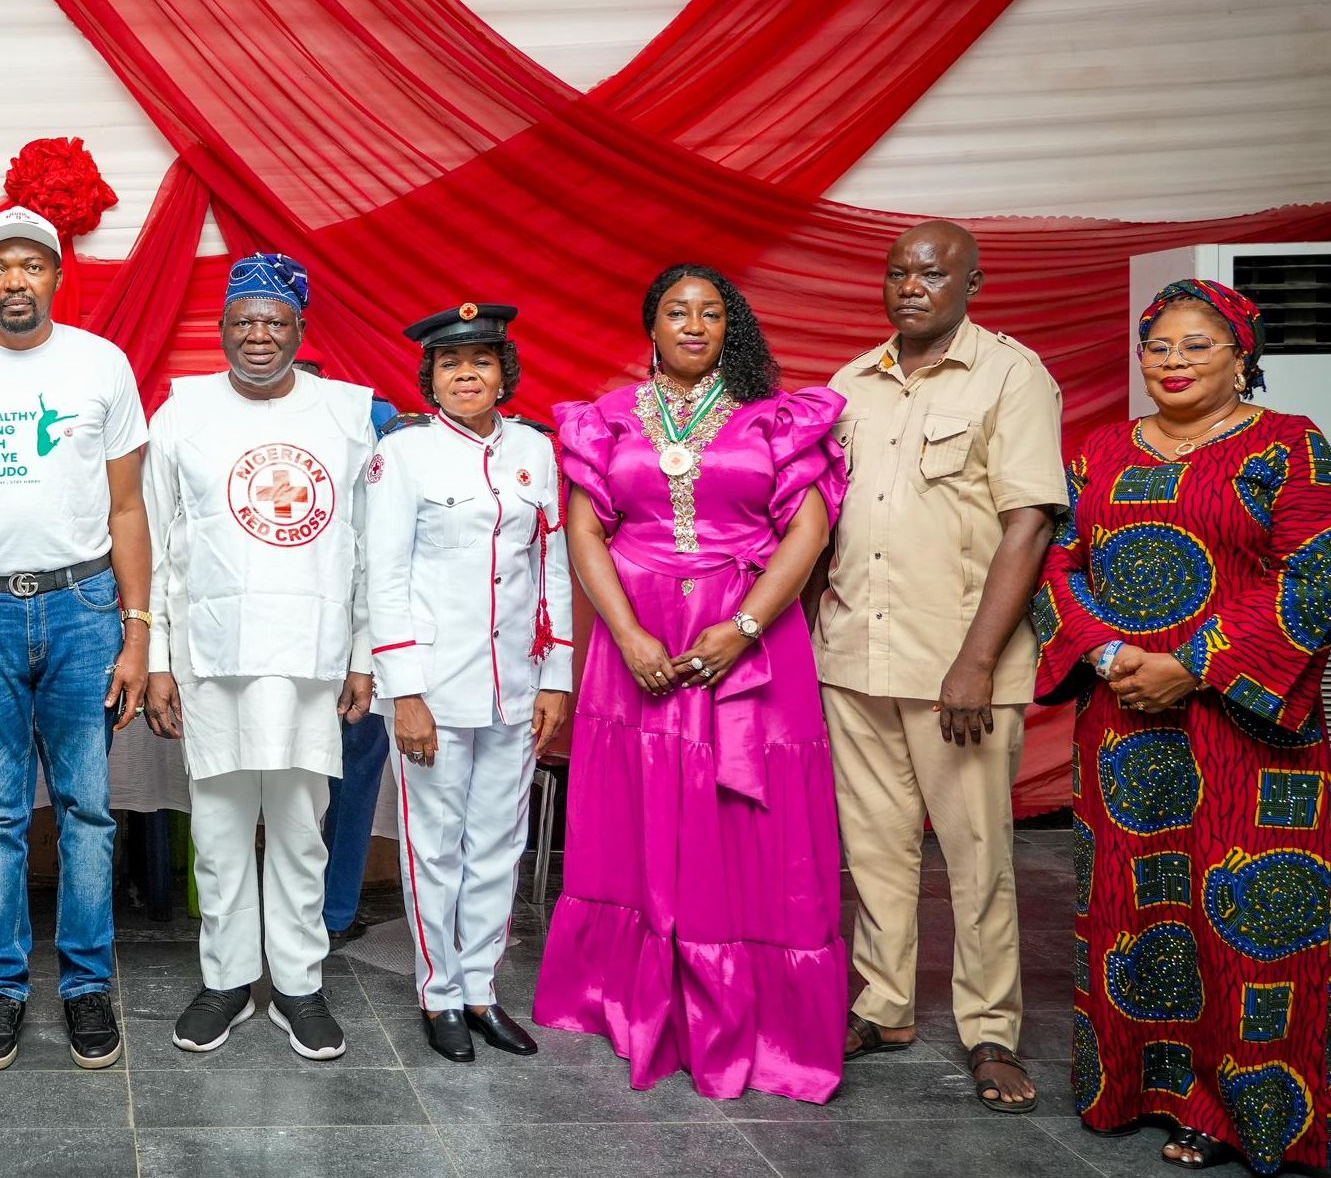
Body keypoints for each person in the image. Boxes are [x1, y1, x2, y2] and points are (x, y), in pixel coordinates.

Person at [531, 263, 847, 1102]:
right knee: (637, 809)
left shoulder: (773, 416)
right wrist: (627, 634)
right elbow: (584, 528)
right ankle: (634, 1002)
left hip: (750, 639)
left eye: (711, 312)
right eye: (677, 310)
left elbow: (806, 531)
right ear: (651, 325)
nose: (694, 324)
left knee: (744, 821)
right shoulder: (606, 418)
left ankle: (757, 1019)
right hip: (634, 642)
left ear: (731, 325)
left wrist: (741, 628)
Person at [1037, 280, 1331, 1174]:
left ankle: (1247, 1109)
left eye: (1195, 346)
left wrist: (1192, 663)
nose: (1171, 362)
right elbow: (1060, 564)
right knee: (1135, 906)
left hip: (1250, 727)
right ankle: (1136, 1088)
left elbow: (1313, 574)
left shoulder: (1292, 446)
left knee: (1247, 921)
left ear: (1241, 354)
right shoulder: (1099, 450)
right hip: (1123, 719)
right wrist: (1105, 656)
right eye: (1157, 345)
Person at [818, 220, 1060, 1114]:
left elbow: (1027, 521)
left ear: (971, 281)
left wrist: (974, 661)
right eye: (896, 272)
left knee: (977, 855)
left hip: (957, 665)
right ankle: (882, 1007)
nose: (909, 286)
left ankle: (989, 1027)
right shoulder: (850, 385)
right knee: (873, 849)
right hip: (853, 658)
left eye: (929, 272)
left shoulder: (1010, 374)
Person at [0, 205, 150, 1071]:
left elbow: (126, 507)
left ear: (55, 275)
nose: (16, 280)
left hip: (82, 610)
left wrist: (136, 630)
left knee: (86, 809)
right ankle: (2, 984)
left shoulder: (99, 364)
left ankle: (86, 986)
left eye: (31, 266)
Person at [141, 255, 374, 1060]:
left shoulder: (347, 412)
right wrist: (159, 658)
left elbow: (367, 544)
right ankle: (228, 980)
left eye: (274, 321)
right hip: (211, 656)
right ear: (222, 330)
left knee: (302, 829)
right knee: (218, 828)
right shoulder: (181, 412)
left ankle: (299, 985)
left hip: (312, 655)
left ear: (300, 330)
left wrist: (365, 652)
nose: (258, 335)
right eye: (243, 321)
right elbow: (159, 544)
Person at [365, 303, 573, 1063]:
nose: (465, 374)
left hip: (515, 685)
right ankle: (438, 992)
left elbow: (550, 569)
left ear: (502, 373)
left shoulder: (534, 452)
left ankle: (482, 989)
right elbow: (381, 578)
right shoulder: (405, 456)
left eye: (480, 361)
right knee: (434, 848)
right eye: (450, 364)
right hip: (435, 688)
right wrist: (404, 691)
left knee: (498, 843)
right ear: (431, 378)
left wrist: (555, 675)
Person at [299, 356, 398, 952]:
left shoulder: (370, 414)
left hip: (339, 629)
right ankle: (333, 911)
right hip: (361, 624)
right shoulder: (373, 413)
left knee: (311, 780)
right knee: (349, 776)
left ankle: (314, 908)